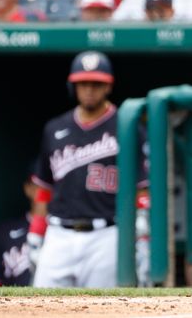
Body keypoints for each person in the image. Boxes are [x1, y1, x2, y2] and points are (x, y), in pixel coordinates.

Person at [27, 51, 146, 287]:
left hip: (107, 234)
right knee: (40, 305)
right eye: (83, 83)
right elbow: (43, 189)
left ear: (108, 86)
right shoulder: (55, 128)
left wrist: (142, 234)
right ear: (74, 86)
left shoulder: (126, 125)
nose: (89, 89)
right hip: (59, 234)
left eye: (96, 83)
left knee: (102, 309)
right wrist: (36, 233)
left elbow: (142, 188)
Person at [0, 171, 37, 286]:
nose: (44, 191)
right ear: (27, 188)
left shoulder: (67, 232)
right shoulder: (6, 231)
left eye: (49, 185)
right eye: (38, 184)